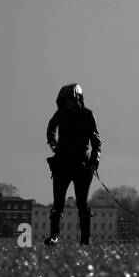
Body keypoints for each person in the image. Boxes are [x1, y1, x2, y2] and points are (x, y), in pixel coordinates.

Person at [44, 83, 102, 245]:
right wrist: (52, 141)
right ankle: (54, 236)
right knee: (58, 204)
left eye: (71, 99)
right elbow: (51, 127)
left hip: (81, 165)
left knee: (82, 204)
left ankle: (85, 239)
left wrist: (94, 160)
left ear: (78, 99)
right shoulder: (60, 113)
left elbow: (96, 140)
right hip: (61, 162)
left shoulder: (88, 114)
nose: (69, 103)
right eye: (66, 100)